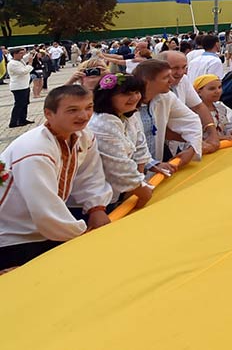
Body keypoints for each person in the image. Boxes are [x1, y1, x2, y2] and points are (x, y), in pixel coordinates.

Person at [0, 85, 113, 270]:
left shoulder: (83, 136)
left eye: (88, 107)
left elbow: (90, 175)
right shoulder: (35, 150)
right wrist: (80, 233)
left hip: (47, 229)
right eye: (72, 110)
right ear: (48, 114)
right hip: (13, 236)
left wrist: (96, 207)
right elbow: (44, 206)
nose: (84, 116)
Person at [88, 75, 173, 210]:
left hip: (119, 190)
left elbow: (140, 147)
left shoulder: (128, 115)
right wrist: (140, 189)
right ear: (108, 97)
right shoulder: (102, 123)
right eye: (126, 94)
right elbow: (118, 166)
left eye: (137, 92)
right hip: (95, 199)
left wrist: (139, 179)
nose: (134, 98)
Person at [131, 59, 203, 165]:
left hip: (156, 168)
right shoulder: (125, 104)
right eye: (165, 77)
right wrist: (151, 165)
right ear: (147, 80)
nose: (172, 80)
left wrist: (192, 148)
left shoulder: (166, 97)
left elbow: (191, 120)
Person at [6, 49, 35, 128]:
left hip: (25, 86)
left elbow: (26, 57)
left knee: (25, 103)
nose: (22, 55)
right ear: (14, 54)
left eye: (23, 53)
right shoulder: (12, 64)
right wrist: (30, 64)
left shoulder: (20, 60)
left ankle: (23, 119)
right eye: (20, 53)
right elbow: (23, 71)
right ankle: (13, 122)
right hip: (18, 87)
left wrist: (31, 53)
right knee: (19, 105)